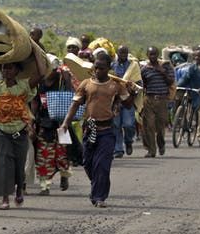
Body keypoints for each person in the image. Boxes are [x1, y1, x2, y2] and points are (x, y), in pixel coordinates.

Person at [61, 57, 134, 208]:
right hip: (90, 128)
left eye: (101, 68)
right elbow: (75, 104)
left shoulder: (116, 85)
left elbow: (127, 105)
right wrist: (66, 123)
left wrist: (131, 91)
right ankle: (97, 185)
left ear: (109, 68)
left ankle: (99, 196)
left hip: (107, 129)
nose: (97, 71)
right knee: (88, 163)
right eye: (96, 67)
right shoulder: (86, 84)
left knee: (102, 165)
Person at [0, 62, 33, 209]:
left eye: (10, 67)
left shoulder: (24, 86)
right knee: (3, 164)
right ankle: (5, 199)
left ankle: (19, 189)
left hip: (20, 130)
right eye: (4, 67)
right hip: (1, 129)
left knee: (19, 164)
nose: (6, 71)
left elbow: (41, 74)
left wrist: (36, 51)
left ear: (18, 70)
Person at [34, 66, 74, 194]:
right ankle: (45, 186)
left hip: (62, 124)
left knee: (62, 154)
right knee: (43, 155)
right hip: (45, 123)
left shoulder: (63, 81)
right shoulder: (40, 82)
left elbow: (72, 96)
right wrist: (34, 120)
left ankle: (64, 175)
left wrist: (67, 79)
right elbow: (35, 101)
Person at [140, 47, 175, 156]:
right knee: (149, 125)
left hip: (162, 100)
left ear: (158, 54)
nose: (153, 57)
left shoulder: (166, 66)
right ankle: (151, 150)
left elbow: (171, 82)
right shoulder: (145, 69)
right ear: (147, 55)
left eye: (155, 54)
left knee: (160, 126)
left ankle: (161, 144)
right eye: (151, 54)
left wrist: (162, 72)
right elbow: (143, 85)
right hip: (149, 99)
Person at [111, 45, 139, 158]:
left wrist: (132, 88)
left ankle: (128, 141)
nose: (123, 55)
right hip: (116, 100)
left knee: (128, 124)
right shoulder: (112, 66)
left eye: (125, 53)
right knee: (116, 125)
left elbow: (139, 82)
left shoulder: (133, 66)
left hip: (128, 99)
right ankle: (118, 149)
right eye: (121, 53)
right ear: (117, 53)